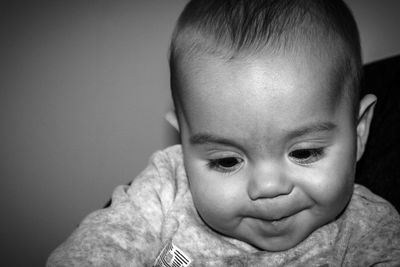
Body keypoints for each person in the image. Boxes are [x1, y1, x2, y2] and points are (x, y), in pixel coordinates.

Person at [47, 0, 400, 266]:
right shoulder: (166, 186)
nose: (268, 187)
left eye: (304, 153)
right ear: (183, 143)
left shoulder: (371, 233)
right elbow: (101, 243)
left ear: (360, 132)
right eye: (228, 160)